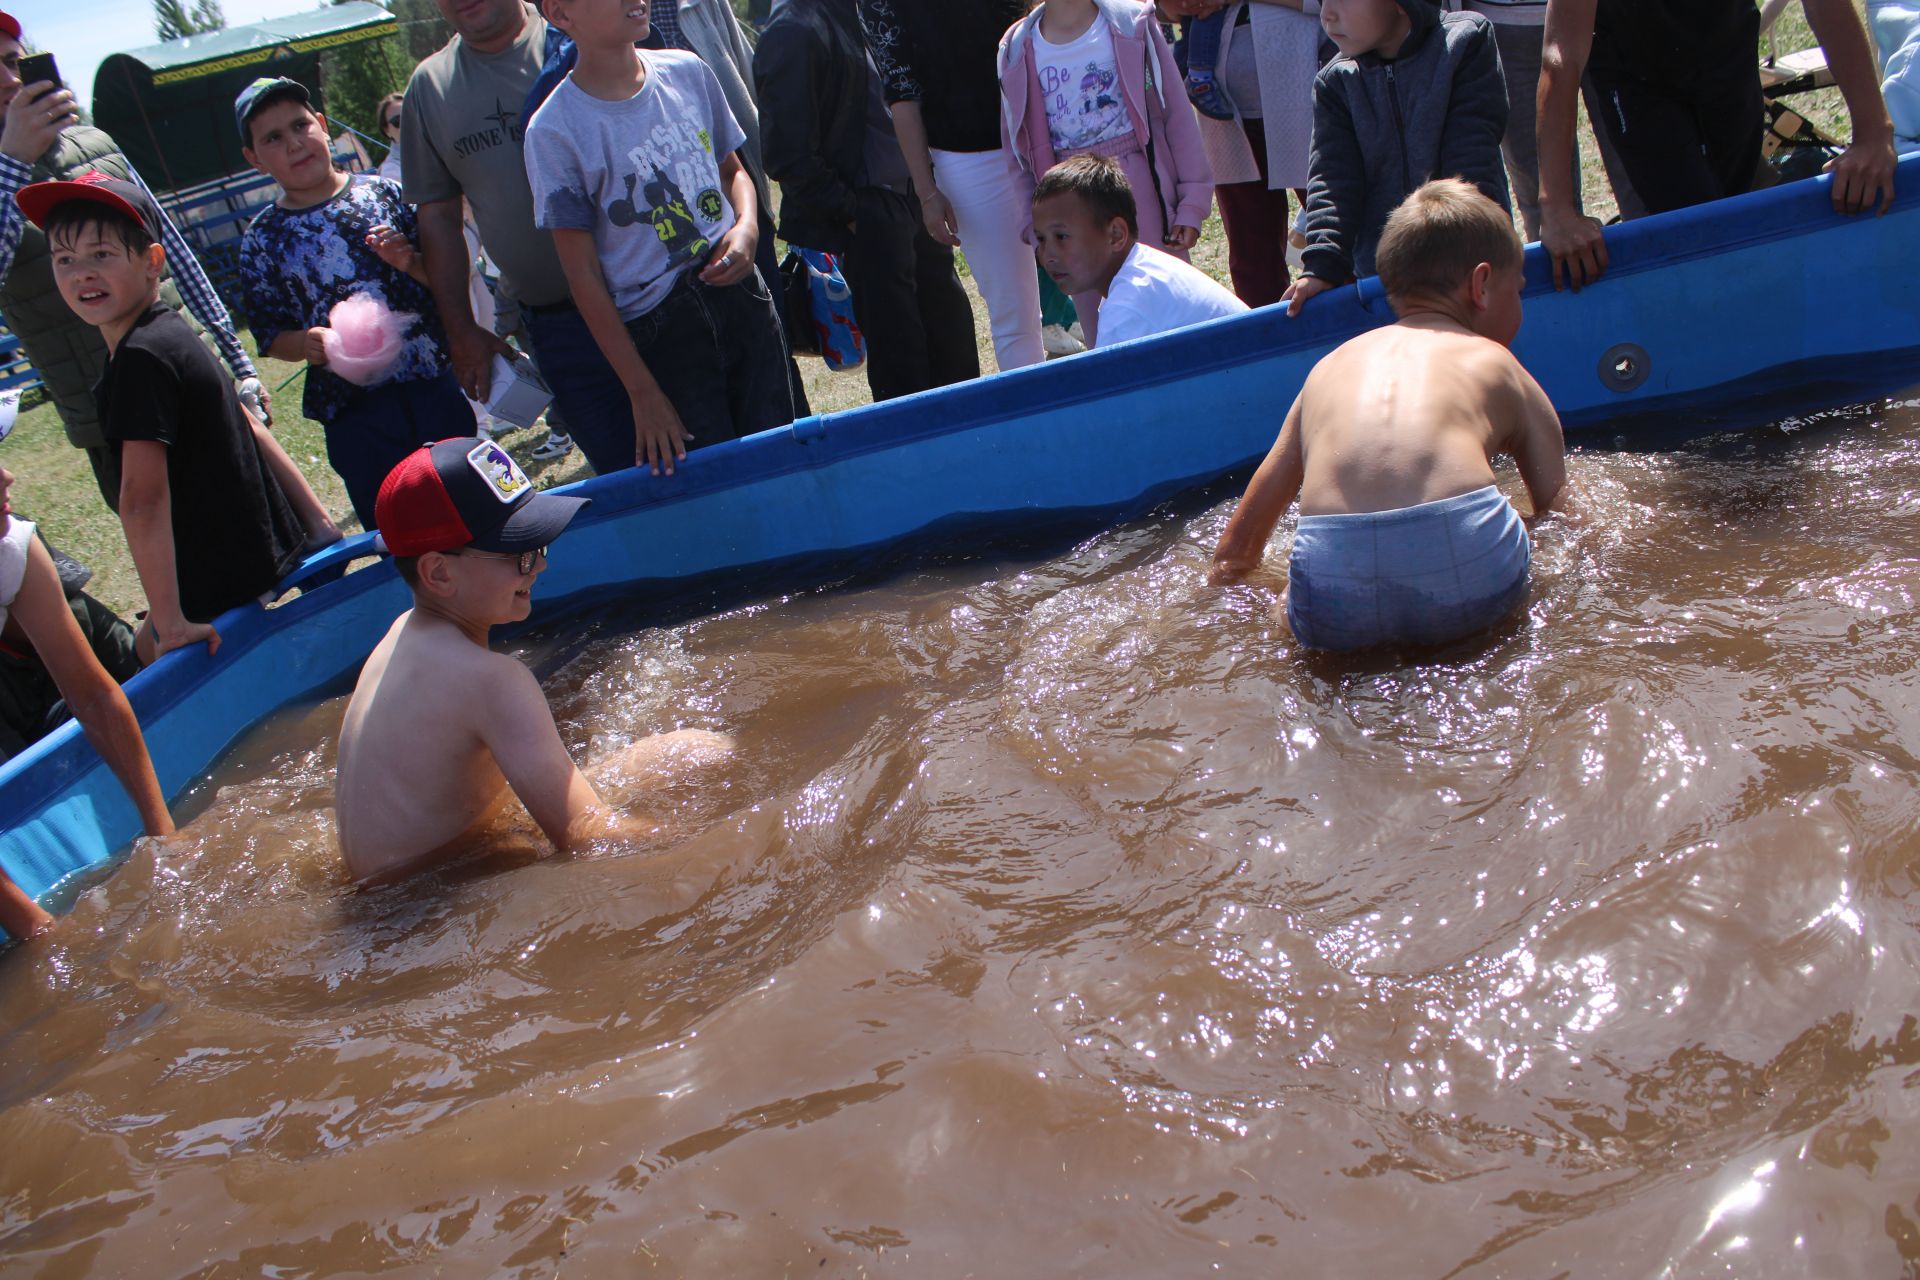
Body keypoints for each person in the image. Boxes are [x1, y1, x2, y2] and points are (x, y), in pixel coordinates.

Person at [334, 437, 733, 881]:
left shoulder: (401, 636)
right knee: (706, 755)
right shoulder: (492, 680)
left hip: (397, 882)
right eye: (520, 554)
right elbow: (589, 838)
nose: (539, 567)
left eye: (540, 547)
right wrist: (720, 841)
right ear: (439, 572)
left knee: (692, 749)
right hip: (431, 899)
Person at [1212, 179, 1567, 651]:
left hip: (1333, 576)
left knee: (1288, 607)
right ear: (1481, 285)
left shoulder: (1327, 369)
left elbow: (1235, 554)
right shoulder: (1496, 362)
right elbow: (1564, 511)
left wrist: (1279, 605)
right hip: (1466, 558)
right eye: (1516, 290)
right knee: (1535, 537)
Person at [23, 172, 335, 662]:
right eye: (65, 259)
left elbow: (141, 500)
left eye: (101, 254)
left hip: (218, 585)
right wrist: (317, 524)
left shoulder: (140, 358)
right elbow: (249, 425)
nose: (81, 272)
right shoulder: (170, 333)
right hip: (257, 560)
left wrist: (169, 623)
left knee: (148, 665)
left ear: (152, 262)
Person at [0, 9, 279, 508]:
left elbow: (173, 251)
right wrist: (13, 164)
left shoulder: (95, 143)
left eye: (12, 63)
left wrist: (236, 361)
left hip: (190, 372)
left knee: (268, 518)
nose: (8, 80)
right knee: (187, 560)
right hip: (109, 414)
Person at [525, 0, 794, 475]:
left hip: (744, 300)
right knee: (719, 489)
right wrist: (642, 392)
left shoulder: (688, 71)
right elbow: (582, 275)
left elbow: (735, 173)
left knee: (785, 459)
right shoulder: (553, 131)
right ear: (559, 14)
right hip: (663, 334)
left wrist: (746, 228)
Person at [401, 0, 645, 478]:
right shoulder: (430, 89)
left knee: (704, 452)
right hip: (557, 326)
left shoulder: (579, 33)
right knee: (624, 476)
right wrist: (462, 329)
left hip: (650, 302)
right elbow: (438, 220)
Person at [235, 78, 472, 530]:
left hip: (431, 384)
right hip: (356, 414)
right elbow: (269, 335)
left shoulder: (385, 194)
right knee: (399, 526)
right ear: (254, 159)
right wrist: (308, 342)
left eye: (300, 125)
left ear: (323, 125)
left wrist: (412, 262)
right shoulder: (263, 239)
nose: (294, 143)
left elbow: (445, 281)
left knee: (468, 503)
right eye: (273, 138)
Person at [1536, 0, 1899, 291]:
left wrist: (1872, 133)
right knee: (1697, 238)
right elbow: (1561, 55)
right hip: (1635, 75)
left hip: (1725, 46)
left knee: (1745, 210)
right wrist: (1557, 209)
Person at [754, 0, 980, 401]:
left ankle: (973, 449)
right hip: (871, 211)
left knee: (954, 347)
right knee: (903, 369)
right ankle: (914, 462)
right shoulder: (794, 28)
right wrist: (856, 214)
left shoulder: (871, 10)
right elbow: (786, 154)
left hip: (914, 199)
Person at [0, 463, 175, 942]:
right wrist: (42, 935)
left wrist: (167, 842)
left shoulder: (12, 547)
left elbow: (95, 697)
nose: (8, 475)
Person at [998, 0, 1215, 347]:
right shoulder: (1015, 48)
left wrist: (1192, 201)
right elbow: (1016, 151)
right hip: (1069, 203)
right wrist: (1035, 225)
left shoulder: (1133, 23)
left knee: (1167, 313)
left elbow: (1176, 114)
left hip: (1144, 191)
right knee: (1102, 332)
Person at [857, 0, 1047, 372]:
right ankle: (1039, 422)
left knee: (1098, 278)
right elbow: (901, 89)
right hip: (970, 157)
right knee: (1014, 313)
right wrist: (927, 192)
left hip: (1051, 120)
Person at [1285, 0, 1509, 315]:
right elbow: (1332, 180)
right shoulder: (1335, 83)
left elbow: (1471, 160)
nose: (1327, 15)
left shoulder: (1464, 43)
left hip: (1471, 268)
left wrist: (1467, 253)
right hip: (1390, 285)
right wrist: (1322, 266)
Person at [1159, 0, 1324, 310]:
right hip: (1226, 115)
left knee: (1340, 240)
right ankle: (1272, 347)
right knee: (1252, 260)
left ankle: (1360, 338)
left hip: (1309, 94)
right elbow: (1161, 10)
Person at [1032, 154, 1245, 348]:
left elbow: (1117, 389)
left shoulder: (1127, 309)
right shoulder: (1142, 272)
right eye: (1041, 239)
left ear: (1115, 235)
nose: (1048, 255)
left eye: (1062, 237)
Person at [374, 90, 406, 182]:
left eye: (411, 115)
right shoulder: (391, 172)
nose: (408, 123)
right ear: (387, 130)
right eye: (398, 121)